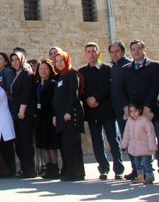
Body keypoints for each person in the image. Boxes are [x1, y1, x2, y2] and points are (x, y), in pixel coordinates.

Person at [120, 40, 159, 182]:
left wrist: (147, 106)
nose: (136, 51)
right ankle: (145, 173)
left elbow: (155, 87)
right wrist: (127, 108)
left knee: (157, 142)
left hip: (151, 111)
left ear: (144, 50)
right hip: (134, 114)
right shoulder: (126, 69)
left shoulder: (154, 66)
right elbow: (121, 89)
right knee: (138, 144)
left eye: (139, 49)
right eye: (133, 49)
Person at [78, 42, 124, 180]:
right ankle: (103, 168)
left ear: (99, 53)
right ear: (85, 54)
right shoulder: (81, 72)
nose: (91, 54)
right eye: (88, 51)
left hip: (106, 110)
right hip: (91, 112)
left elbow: (108, 86)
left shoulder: (107, 69)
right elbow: (80, 90)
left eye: (93, 51)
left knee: (113, 140)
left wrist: (96, 98)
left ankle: (119, 169)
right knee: (97, 142)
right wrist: (87, 99)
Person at [52, 51, 85, 181]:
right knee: (65, 146)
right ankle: (69, 171)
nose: (59, 63)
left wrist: (69, 111)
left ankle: (75, 173)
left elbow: (74, 94)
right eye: (57, 61)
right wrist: (55, 115)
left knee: (71, 145)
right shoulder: (60, 77)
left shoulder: (72, 74)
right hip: (61, 117)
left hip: (70, 116)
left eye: (62, 60)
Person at [9, 51, 37, 178]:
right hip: (16, 113)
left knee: (26, 142)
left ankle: (29, 170)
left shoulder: (26, 73)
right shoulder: (17, 73)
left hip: (24, 113)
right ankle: (24, 168)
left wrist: (22, 110)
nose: (15, 62)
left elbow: (26, 93)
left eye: (17, 59)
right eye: (13, 60)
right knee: (19, 142)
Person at [108, 41, 133, 177]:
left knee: (135, 139)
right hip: (117, 109)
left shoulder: (129, 65)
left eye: (117, 51)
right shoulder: (113, 67)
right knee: (126, 138)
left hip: (129, 109)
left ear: (123, 52)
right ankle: (135, 168)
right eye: (112, 52)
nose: (115, 54)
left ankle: (142, 169)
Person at [34, 59, 60, 179]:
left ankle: (54, 168)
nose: (43, 71)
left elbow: (55, 101)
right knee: (42, 144)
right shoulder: (38, 84)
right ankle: (48, 167)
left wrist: (55, 115)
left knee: (50, 144)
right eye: (41, 69)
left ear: (50, 70)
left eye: (45, 69)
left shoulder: (52, 83)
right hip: (39, 117)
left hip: (49, 117)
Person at [121, 103, 157, 185]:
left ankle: (149, 176)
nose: (133, 113)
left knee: (146, 162)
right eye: (131, 111)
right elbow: (126, 134)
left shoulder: (145, 120)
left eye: (135, 111)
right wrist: (124, 145)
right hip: (134, 148)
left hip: (145, 147)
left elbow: (151, 134)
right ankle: (140, 177)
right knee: (137, 163)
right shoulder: (129, 121)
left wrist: (152, 146)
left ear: (140, 110)